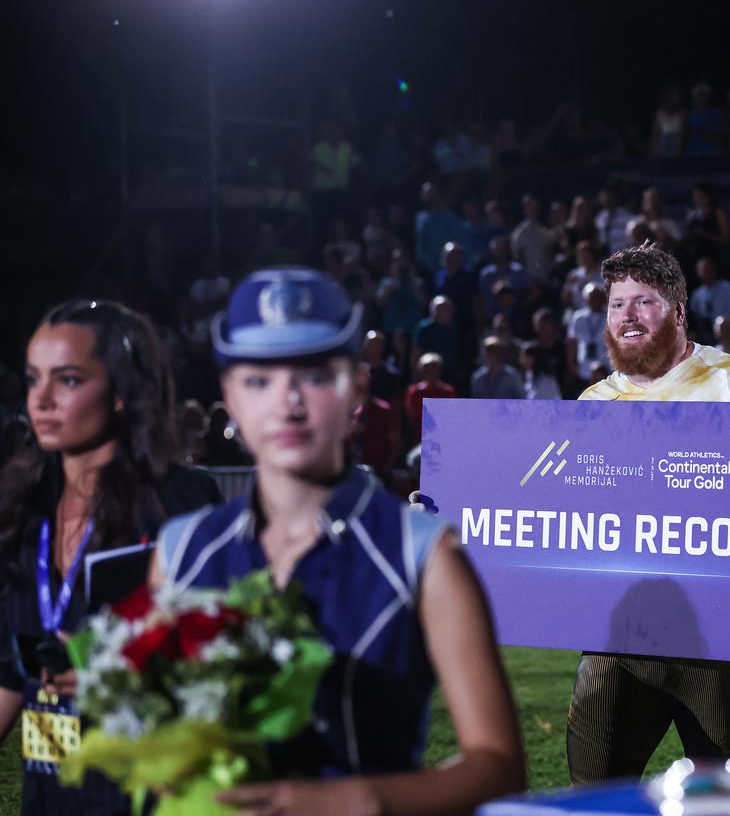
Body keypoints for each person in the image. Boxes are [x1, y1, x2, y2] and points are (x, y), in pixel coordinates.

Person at [149, 268, 525, 814]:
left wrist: (354, 800)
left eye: (316, 375)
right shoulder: (180, 550)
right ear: (228, 396)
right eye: (259, 380)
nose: (288, 403)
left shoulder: (423, 552)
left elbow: (499, 767)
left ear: (358, 386)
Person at [567, 243, 730, 783]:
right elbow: (556, 515)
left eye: (643, 302)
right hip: (620, 636)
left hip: (721, 641)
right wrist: (457, 506)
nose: (627, 315)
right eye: (616, 303)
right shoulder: (593, 405)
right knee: (592, 790)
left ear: (677, 311)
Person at [0, 300, 222, 814]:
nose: (42, 400)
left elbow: (231, 669)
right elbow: (12, 673)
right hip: (48, 796)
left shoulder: (180, 502)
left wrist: (131, 674)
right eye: (34, 379)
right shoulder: (22, 510)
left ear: (123, 391)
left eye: (69, 379)